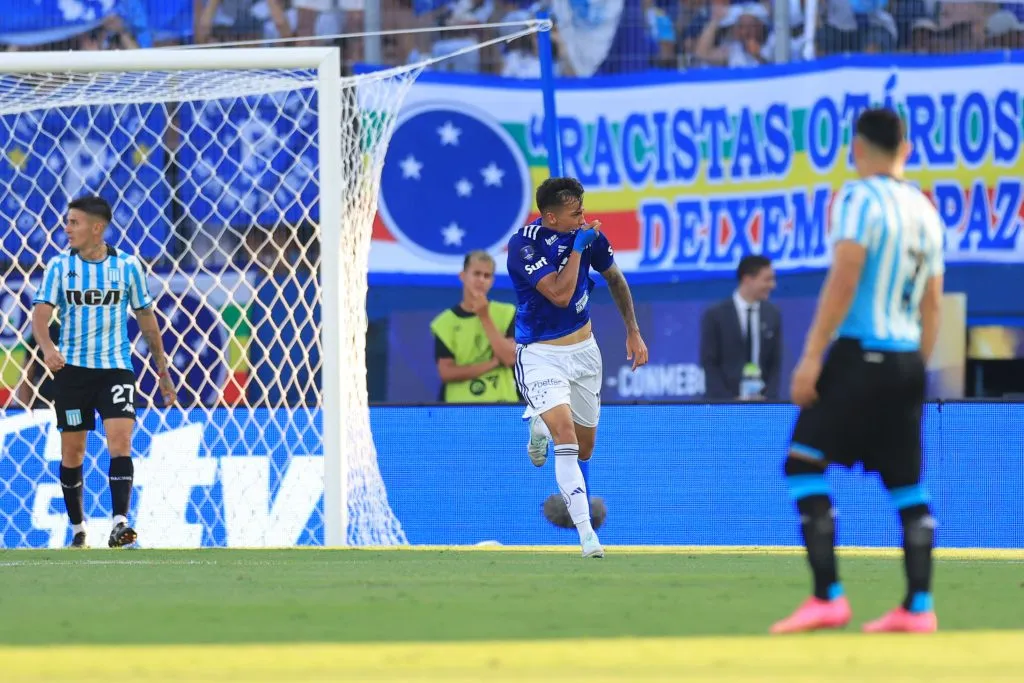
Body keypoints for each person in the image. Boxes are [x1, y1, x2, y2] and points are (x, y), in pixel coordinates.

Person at [771, 108, 944, 634]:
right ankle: (918, 607)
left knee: (803, 464)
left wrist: (811, 356)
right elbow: (933, 305)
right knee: (905, 484)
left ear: (858, 149)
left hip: (858, 354)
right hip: (907, 359)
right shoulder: (925, 209)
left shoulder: (858, 199)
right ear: (906, 150)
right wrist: (917, 366)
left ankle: (828, 597)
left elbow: (844, 278)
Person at [507, 177, 649, 558]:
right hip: (540, 355)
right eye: (575, 214)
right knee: (567, 439)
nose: (584, 219)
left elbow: (615, 279)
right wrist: (575, 250)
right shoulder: (524, 244)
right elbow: (559, 293)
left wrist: (633, 332)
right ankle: (588, 536)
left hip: (585, 353)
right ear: (550, 217)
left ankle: (540, 424)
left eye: (583, 210)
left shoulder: (588, 238)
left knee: (585, 447)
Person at [32, 195, 177, 549]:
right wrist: (49, 348)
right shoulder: (58, 267)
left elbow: (146, 318)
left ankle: (120, 524)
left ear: (97, 228)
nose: (67, 229)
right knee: (73, 452)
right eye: (67, 222)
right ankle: (79, 528)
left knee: (121, 441)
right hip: (73, 371)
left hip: (115, 368)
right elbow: (40, 315)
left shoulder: (127, 267)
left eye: (74, 223)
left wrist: (162, 369)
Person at [431, 251, 518, 403]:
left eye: (487, 275)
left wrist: (484, 316)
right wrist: (493, 363)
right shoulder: (444, 323)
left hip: (502, 406)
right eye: (476, 274)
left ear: (492, 280)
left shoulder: (507, 313)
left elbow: (510, 358)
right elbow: (446, 372)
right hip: (459, 408)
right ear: (463, 276)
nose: (481, 280)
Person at [700, 255, 782, 400]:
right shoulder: (716, 315)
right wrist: (729, 400)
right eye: (767, 279)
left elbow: (776, 364)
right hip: (725, 408)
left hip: (763, 406)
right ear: (747, 279)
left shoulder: (772, 315)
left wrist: (768, 398)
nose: (772, 285)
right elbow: (710, 363)